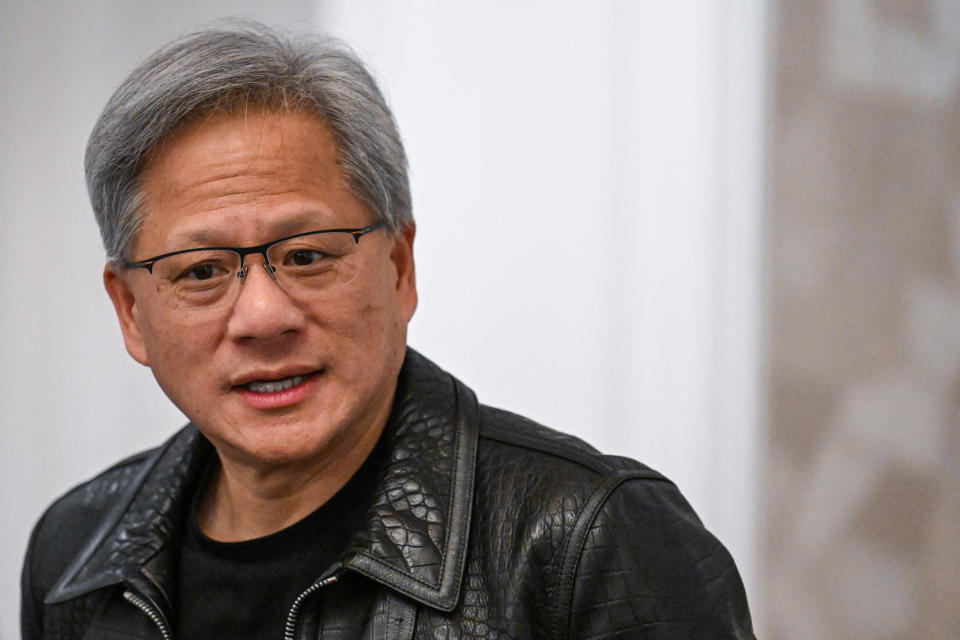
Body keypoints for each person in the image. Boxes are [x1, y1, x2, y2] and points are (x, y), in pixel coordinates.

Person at [20, 22, 754, 640]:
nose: (263, 318)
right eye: (202, 271)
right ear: (130, 311)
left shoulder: (588, 541)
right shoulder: (76, 552)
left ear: (400, 268)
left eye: (307, 256)